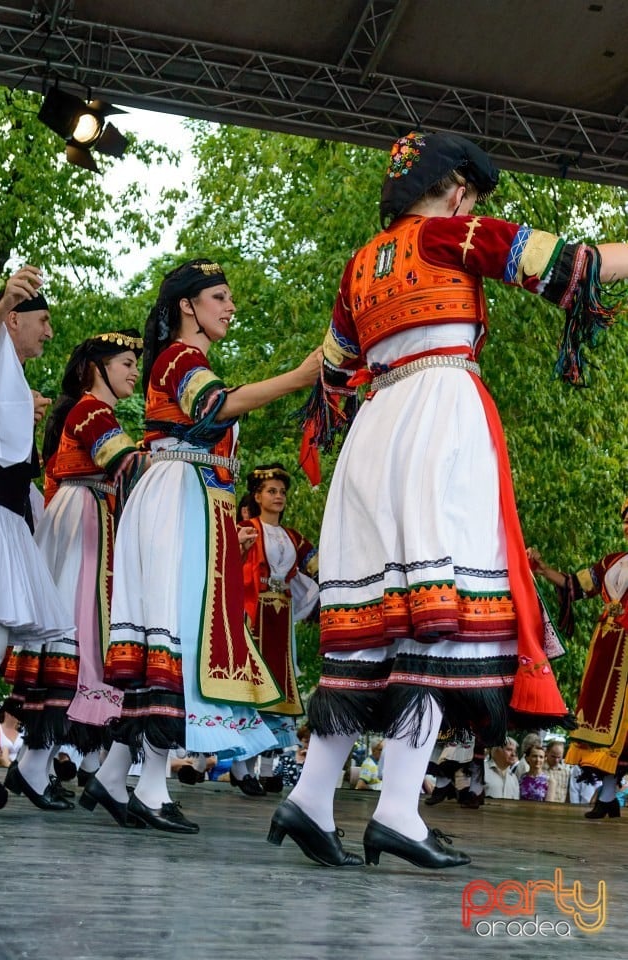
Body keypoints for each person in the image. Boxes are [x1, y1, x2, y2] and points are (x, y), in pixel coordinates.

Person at [269, 128, 628, 870]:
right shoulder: (451, 233)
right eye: (470, 191)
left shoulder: (359, 265)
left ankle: (309, 795)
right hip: (438, 420)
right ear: (456, 189)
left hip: (375, 433)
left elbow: (335, 374)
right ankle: (397, 810)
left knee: (378, 628)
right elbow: (567, 265)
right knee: (438, 621)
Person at [81, 258, 322, 834]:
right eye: (219, 296)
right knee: (177, 632)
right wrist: (299, 375)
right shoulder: (179, 359)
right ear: (187, 305)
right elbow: (214, 407)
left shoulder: (187, 360)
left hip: (193, 497)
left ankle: (116, 777)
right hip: (180, 497)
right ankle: (150, 786)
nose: (230, 307)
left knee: (177, 634)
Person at [3, 331, 143, 811]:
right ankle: (33, 767)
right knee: (76, 635)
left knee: (78, 639)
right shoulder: (90, 411)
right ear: (94, 368)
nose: (133, 372)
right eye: (125, 362)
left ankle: (35, 765)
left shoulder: (91, 411)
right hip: (83, 518)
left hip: (87, 516)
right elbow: (125, 463)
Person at [0, 267, 74, 812]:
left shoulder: (11, 371)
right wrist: (2, 300)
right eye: (40, 321)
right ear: (15, 319)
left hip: (6, 514)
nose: (48, 333)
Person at [529, 503, 628, 819]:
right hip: (605, 649)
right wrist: (543, 570)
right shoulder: (612, 562)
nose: (627, 526)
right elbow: (576, 584)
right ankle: (608, 797)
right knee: (602, 726)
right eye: (626, 520)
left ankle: (609, 796)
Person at [237, 463, 319, 795]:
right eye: (271, 491)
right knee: (250, 690)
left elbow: (317, 567)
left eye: (282, 492)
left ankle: (268, 770)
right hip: (251, 616)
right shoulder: (245, 527)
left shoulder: (294, 538)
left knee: (278, 690)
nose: (279, 496)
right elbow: (227, 562)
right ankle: (243, 768)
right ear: (256, 496)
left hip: (280, 619)